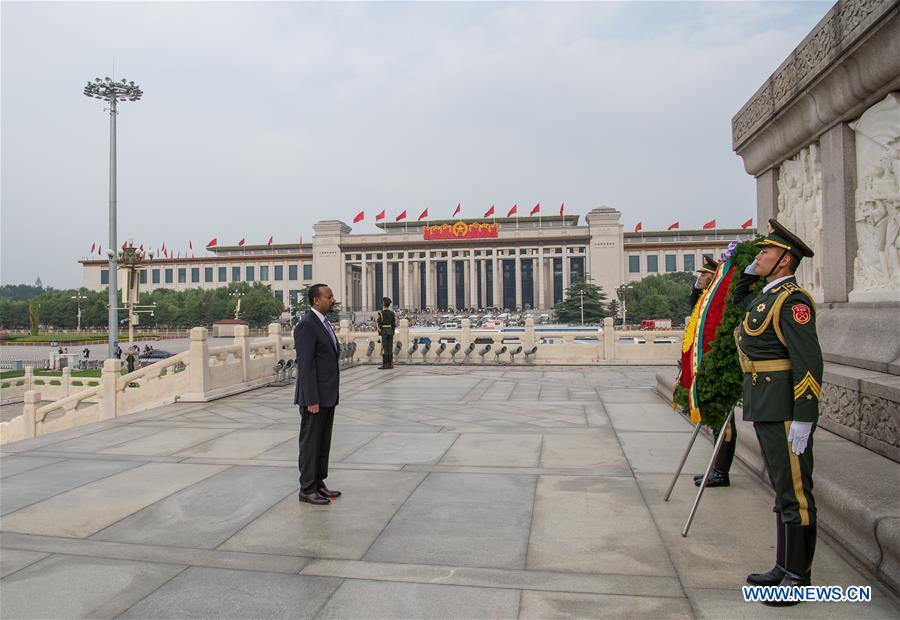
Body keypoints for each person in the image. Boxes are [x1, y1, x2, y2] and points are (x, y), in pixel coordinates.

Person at [733, 219, 821, 606]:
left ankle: (798, 577)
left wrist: (805, 416)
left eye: (766, 253)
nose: (760, 256)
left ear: (785, 261)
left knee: (796, 493)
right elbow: (742, 303)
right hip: (765, 403)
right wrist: (746, 274)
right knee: (783, 488)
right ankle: (783, 567)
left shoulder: (793, 302)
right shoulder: (768, 296)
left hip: (786, 407)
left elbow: (809, 364)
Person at [689, 255, 737, 488]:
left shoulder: (722, 301)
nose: (700, 278)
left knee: (724, 424)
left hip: (720, 368)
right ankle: (717, 469)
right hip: (708, 367)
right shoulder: (706, 298)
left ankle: (721, 471)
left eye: (704, 275)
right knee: (716, 423)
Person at [293, 283, 342, 506]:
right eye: (329, 296)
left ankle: (319, 482)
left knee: (323, 442)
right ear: (316, 301)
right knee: (311, 443)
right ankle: (307, 488)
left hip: (327, 394)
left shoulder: (323, 323)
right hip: (315, 397)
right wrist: (311, 398)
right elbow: (305, 366)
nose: (333, 299)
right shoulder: (306, 325)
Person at [377, 297, 396, 369]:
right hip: (390, 332)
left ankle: (385, 364)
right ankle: (390, 364)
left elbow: (379, 325)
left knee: (385, 348)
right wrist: (392, 332)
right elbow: (393, 324)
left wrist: (379, 334)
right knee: (390, 348)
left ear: (383, 304)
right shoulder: (392, 313)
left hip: (384, 332)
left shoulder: (380, 313)